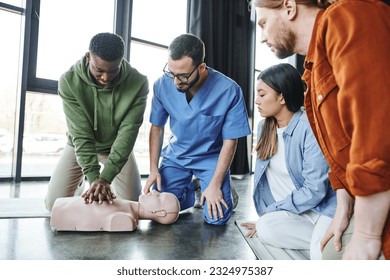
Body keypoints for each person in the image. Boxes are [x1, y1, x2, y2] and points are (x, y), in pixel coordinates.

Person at [253, 0, 390, 259]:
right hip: (354, 200)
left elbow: (376, 128)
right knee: (317, 247)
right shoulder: (312, 74)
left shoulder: (346, 15)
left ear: (289, 7)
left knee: (328, 255)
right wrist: (343, 208)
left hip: (378, 200)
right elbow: (338, 157)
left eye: (263, 24)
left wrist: (366, 235)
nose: (262, 38)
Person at [143, 33, 251, 225]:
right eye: (171, 72)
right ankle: (194, 188)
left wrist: (216, 184)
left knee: (216, 218)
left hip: (211, 159)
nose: (176, 81)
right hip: (178, 156)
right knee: (161, 211)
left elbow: (230, 140)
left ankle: (221, 187)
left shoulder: (229, 90)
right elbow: (157, 127)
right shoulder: (162, 85)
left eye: (183, 75)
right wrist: (153, 169)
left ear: (201, 67)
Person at [241, 63, 336, 259]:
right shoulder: (264, 127)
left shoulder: (308, 126)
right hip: (292, 212)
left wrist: (271, 210)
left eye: (262, 94)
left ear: (282, 97)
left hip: (320, 209)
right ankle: (328, 243)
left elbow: (315, 190)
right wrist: (268, 216)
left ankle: (326, 243)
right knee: (266, 228)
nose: (256, 100)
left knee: (320, 256)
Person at [45, 32, 149, 211]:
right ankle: (79, 184)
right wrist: (94, 179)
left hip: (116, 147)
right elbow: (81, 134)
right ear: (88, 57)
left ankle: (111, 184)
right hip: (81, 145)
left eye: (113, 71)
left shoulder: (138, 83)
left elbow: (128, 133)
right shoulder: (69, 81)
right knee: (53, 205)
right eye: (99, 70)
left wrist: (105, 178)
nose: (106, 78)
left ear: (121, 61)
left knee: (132, 204)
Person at [50, 191, 180, 232]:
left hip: (62, 213)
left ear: (160, 213)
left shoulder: (125, 219)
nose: (155, 192)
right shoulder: (126, 206)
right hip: (63, 206)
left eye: (159, 197)